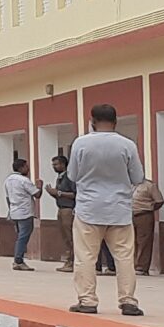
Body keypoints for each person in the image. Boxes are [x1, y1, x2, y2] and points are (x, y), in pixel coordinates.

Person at [63, 104, 144, 316]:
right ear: (116, 122)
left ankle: (88, 301)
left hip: (88, 209)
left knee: (85, 257)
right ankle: (128, 301)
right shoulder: (127, 145)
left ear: (92, 121)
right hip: (119, 210)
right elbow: (137, 177)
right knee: (124, 257)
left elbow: (72, 175)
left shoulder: (81, 143)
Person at [2, 157, 40, 271]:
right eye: (26, 167)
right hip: (25, 212)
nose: (28, 169)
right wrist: (39, 186)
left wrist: (11, 210)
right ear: (21, 168)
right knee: (23, 237)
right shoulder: (24, 180)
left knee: (20, 236)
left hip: (15, 212)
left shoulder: (8, 180)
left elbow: (8, 198)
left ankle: (18, 259)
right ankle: (18, 260)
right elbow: (37, 194)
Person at [132, 175, 164, 278]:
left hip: (144, 215)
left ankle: (141, 267)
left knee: (144, 242)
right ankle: (132, 265)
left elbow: (159, 201)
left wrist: (148, 208)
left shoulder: (149, 185)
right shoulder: (129, 184)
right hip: (129, 215)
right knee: (131, 241)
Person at [51, 155, 77, 270]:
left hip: (68, 209)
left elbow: (75, 194)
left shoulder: (69, 177)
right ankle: (69, 259)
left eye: (56, 164)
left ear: (63, 164)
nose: (54, 167)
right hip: (60, 208)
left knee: (70, 236)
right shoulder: (59, 178)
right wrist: (53, 193)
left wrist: (59, 193)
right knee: (65, 237)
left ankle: (72, 261)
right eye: (53, 165)